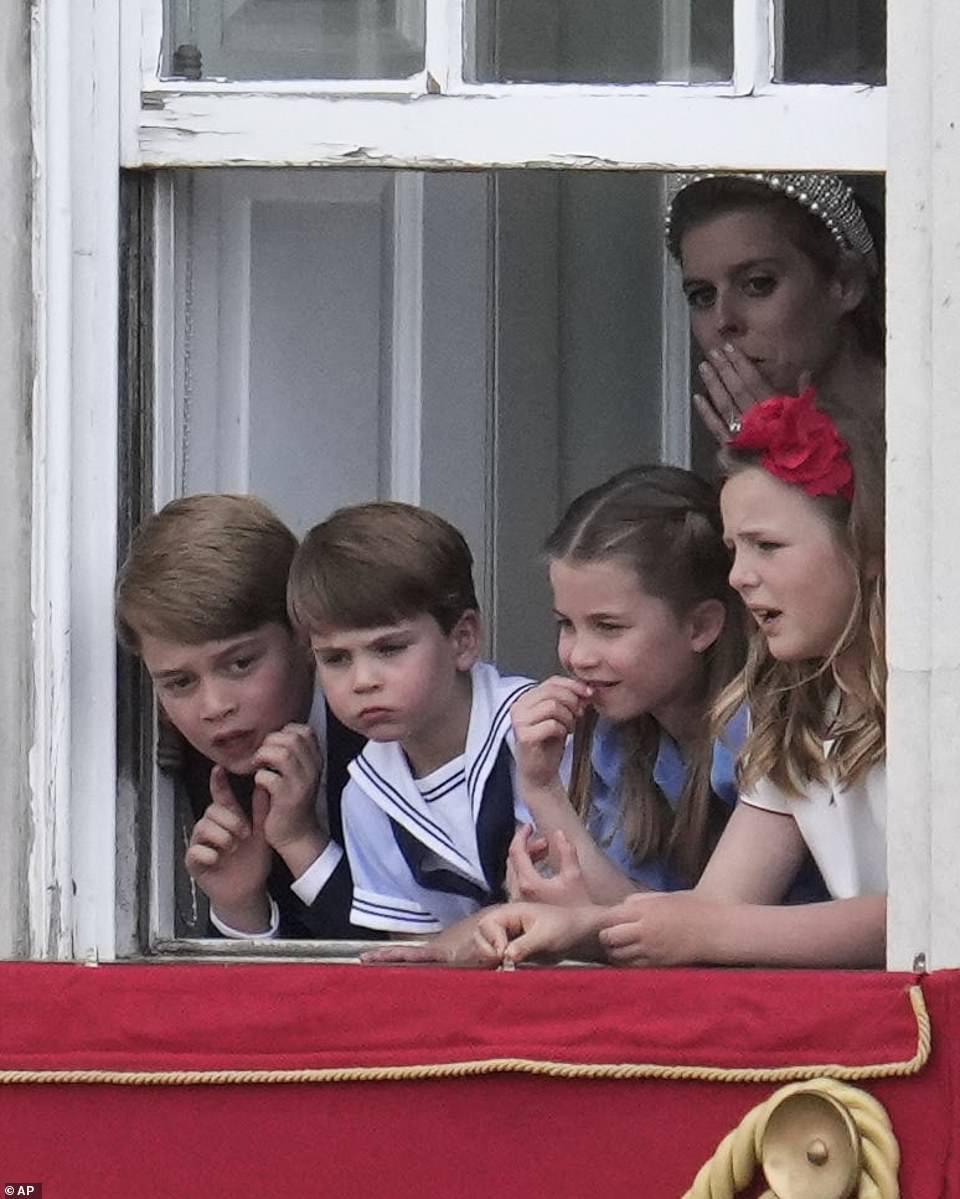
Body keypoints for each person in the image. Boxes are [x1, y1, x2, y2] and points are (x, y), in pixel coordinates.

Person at [477, 388, 886, 968]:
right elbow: (708, 914)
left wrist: (613, 924)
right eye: (734, 551)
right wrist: (568, 923)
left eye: (767, 547)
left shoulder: (925, 705)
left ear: (866, 544)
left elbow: (926, 914)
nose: (741, 576)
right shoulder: (799, 712)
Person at [116, 493, 376, 940]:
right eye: (180, 683)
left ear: (305, 636)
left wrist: (302, 843)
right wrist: (240, 908)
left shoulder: (388, 728)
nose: (215, 706)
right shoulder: (208, 763)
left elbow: (414, 956)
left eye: (240, 664)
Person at [286, 500, 534, 935]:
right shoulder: (365, 797)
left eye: (389, 648)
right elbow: (415, 954)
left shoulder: (538, 729)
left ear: (462, 640)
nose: (362, 680)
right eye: (336, 658)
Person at [665, 171, 883, 442]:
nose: (723, 320)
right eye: (702, 296)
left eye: (758, 284)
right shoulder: (732, 440)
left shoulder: (937, 417)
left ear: (845, 283)